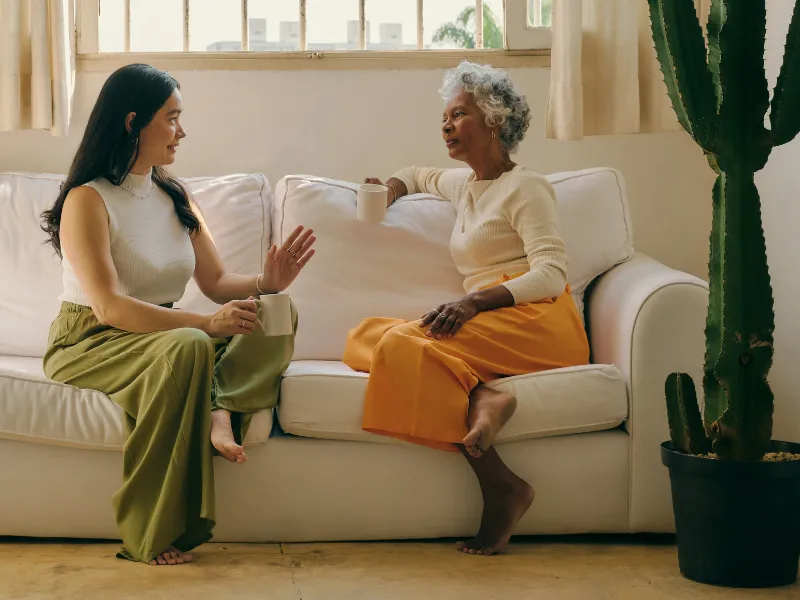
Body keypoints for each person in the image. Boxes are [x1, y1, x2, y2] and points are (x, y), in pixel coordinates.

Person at [40, 63, 316, 566]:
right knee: (190, 344)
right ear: (132, 122)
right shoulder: (87, 199)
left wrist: (267, 284)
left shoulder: (175, 196)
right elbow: (109, 306)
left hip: (164, 334)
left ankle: (218, 406)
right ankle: (151, 530)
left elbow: (216, 282)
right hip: (92, 338)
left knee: (276, 312)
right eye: (171, 118)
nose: (181, 131)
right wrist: (206, 326)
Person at [346, 61, 590, 556]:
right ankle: (482, 394)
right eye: (444, 117)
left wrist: (474, 302)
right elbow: (415, 175)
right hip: (490, 317)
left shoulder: (527, 187)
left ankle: (500, 485)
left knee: (400, 344)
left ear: (495, 120)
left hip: (537, 317)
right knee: (364, 336)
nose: (446, 126)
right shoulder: (465, 184)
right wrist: (389, 190)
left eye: (459, 115)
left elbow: (550, 274)